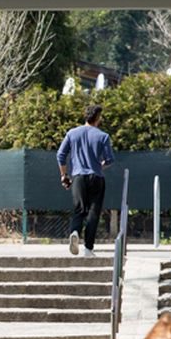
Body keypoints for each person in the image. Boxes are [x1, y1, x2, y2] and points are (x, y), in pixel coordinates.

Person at [55, 104, 115, 254]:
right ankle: (88, 248)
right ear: (98, 118)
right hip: (97, 178)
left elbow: (60, 155)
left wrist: (64, 175)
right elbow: (109, 159)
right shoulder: (103, 136)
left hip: (78, 177)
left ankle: (75, 232)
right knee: (93, 212)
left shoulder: (72, 133)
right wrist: (100, 165)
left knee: (79, 209)